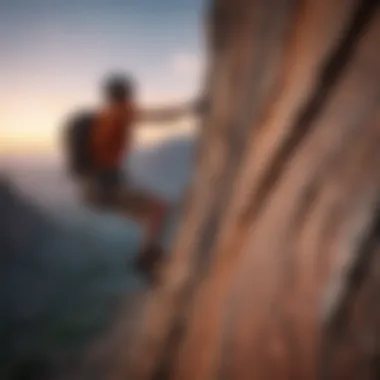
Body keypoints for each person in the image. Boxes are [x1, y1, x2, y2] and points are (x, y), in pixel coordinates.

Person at [86, 73, 203, 279]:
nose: (132, 97)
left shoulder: (105, 115)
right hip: (107, 187)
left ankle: (151, 257)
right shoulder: (120, 111)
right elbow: (156, 116)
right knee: (159, 210)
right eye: (129, 93)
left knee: (151, 217)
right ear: (124, 94)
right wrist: (189, 108)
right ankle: (146, 259)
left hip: (97, 189)